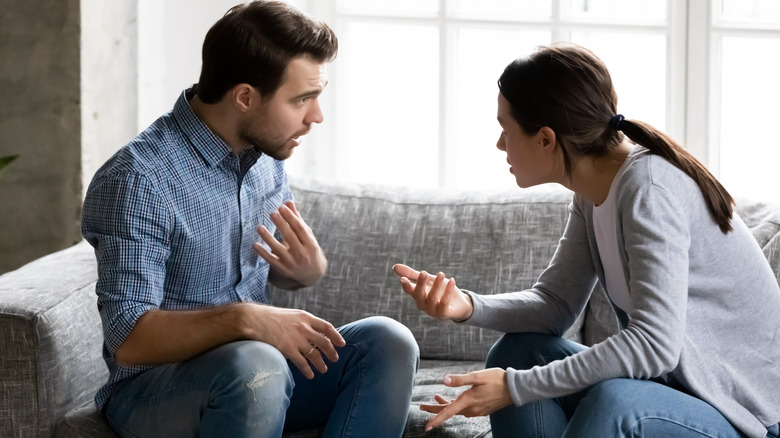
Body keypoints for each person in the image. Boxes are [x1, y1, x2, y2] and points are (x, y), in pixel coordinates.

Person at [392, 43, 780, 438]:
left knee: (616, 402)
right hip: (677, 393)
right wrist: (466, 306)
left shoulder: (649, 190)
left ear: (546, 138)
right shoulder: (593, 192)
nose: (500, 144)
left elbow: (653, 345)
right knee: (518, 352)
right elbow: (555, 305)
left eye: (505, 129)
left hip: (744, 417)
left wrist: (514, 387)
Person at [82, 2, 418, 437]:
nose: (316, 116)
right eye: (301, 99)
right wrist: (246, 319)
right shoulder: (138, 180)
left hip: (260, 376)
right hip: (156, 389)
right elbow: (129, 341)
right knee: (256, 364)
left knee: (387, 342)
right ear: (245, 97)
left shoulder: (265, 154)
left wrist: (304, 273)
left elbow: (258, 267)